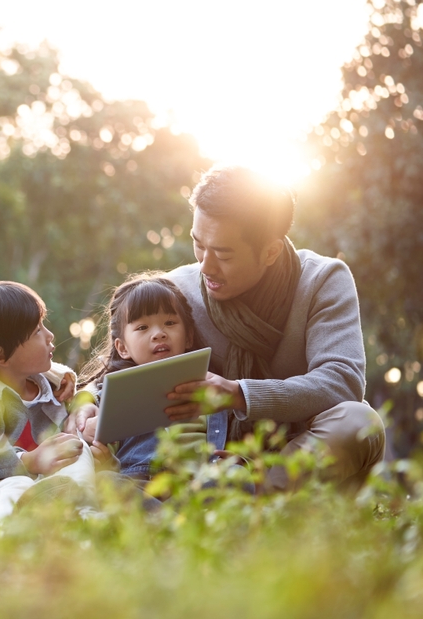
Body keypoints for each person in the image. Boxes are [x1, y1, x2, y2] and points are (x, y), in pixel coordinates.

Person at [164, 164, 385, 490]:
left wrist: (239, 394)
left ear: (270, 251)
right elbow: (114, 368)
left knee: (359, 421)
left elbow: (342, 381)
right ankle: (235, 499)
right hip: (204, 459)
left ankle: (249, 494)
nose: (205, 265)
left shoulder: (322, 280)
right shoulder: (175, 291)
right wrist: (78, 397)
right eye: (198, 244)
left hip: (296, 455)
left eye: (223, 254)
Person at [0, 281, 96, 529]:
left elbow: (85, 404)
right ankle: (5, 543)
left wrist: (86, 422)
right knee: (15, 486)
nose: (50, 335)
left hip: (46, 488)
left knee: (75, 448)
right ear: (1, 356)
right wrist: (25, 462)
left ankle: (86, 519)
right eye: (36, 332)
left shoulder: (53, 389)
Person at [77, 271, 204, 481]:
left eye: (170, 323)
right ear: (123, 348)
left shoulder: (209, 384)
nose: (159, 334)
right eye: (143, 327)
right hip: (137, 481)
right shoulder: (111, 397)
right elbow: (102, 458)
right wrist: (106, 462)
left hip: (195, 484)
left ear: (189, 336)